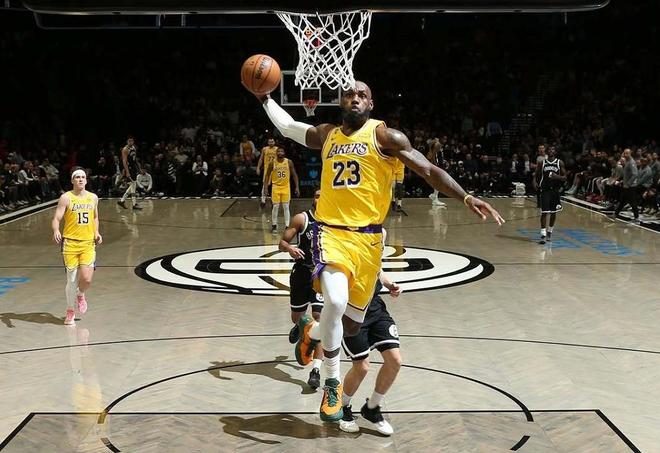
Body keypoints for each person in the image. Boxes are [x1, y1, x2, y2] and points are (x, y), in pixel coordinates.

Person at [248, 80, 504, 422]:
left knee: (350, 327)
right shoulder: (327, 134)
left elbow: (428, 170)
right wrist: (265, 98)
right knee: (335, 301)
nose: (355, 98)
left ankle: (311, 333)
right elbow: (288, 126)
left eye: (362, 95)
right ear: (340, 101)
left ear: (371, 104)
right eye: (349, 94)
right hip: (331, 233)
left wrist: (466, 196)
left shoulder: (385, 137)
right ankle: (332, 383)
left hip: (369, 242)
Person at [340, 271, 402, 436]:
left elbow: (377, 269)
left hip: (375, 308)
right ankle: (342, 407)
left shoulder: (373, 252)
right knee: (362, 367)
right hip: (350, 312)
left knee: (395, 360)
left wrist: (389, 284)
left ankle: (372, 407)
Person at [279, 189, 324, 389]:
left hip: (321, 275)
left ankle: (316, 371)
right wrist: (290, 248)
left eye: (323, 196)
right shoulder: (301, 219)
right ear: (312, 199)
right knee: (296, 317)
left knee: (320, 320)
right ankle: (300, 328)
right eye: (316, 195)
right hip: (301, 273)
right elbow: (282, 243)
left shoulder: (334, 221)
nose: (319, 199)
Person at [51, 169, 102, 325]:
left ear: (86, 180)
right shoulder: (66, 198)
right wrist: (56, 230)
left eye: (83, 177)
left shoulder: (93, 197)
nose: (80, 179)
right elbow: (57, 218)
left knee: (86, 279)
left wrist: (96, 232)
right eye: (77, 177)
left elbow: (95, 217)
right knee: (71, 279)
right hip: (70, 243)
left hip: (88, 243)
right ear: (72, 180)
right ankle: (70, 311)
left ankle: (80, 294)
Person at [534, 145, 566, 244]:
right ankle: (543, 234)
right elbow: (537, 174)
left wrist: (557, 177)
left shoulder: (559, 162)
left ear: (555, 152)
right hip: (545, 190)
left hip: (555, 191)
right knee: (544, 212)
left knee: (553, 212)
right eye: (549, 149)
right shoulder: (542, 163)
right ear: (547, 152)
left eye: (553, 149)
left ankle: (550, 232)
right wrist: (535, 182)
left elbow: (565, 177)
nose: (551, 151)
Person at [264, 147, 300, 233]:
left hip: (286, 186)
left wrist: (297, 187)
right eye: (278, 151)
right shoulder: (272, 163)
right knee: (275, 206)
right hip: (275, 186)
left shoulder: (289, 162)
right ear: (276, 153)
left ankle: (287, 226)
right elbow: (267, 175)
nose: (280, 152)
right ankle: (274, 225)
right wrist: (265, 188)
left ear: (284, 153)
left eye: (281, 151)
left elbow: (294, 175)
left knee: (286, 206)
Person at [612, 148, 640, 222]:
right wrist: (622, 181)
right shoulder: (627, 161)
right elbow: (627, 174)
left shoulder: (631, 162)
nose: (625, 154)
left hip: (631, 186)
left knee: (632, 202)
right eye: (624, 153)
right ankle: (615, 214)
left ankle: (636, 218)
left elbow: (635, 174)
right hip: (626, 185)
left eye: (627, 153)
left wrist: (628, 184)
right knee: (622, 201)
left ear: (630, 154)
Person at [117, 136, 142, 210]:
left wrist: (139, 168)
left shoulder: (133, 148)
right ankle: (134, 204)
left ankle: (122, 201)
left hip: (133, 168)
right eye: (129, 141)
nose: (131, 142)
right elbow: (124, 162)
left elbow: (135, 159)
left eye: (132, 141)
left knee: (132, 185)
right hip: (129, 168)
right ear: (127, 141)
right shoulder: (125, 149)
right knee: (133, 185)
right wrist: (127, 172)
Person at [257, 138, 279, 208]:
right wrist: (258, 167)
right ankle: (263, 200)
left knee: (274, 185)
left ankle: (273, 200)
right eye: (270, 142)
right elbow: (261, 158)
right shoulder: (264, 149)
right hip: (267, 169)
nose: (271, 143)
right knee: (265, 184)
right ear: (268, 142)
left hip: (275, 169)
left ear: (274, 142)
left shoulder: (277, 149)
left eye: (272, 141)